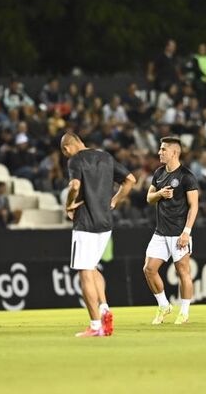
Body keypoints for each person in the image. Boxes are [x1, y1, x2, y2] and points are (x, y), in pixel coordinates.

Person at [61, 133, 136, 337]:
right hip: (105, 223)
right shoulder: (106, 157)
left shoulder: (75, 160)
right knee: (92, 268)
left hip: (85, 222)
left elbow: (74, 186)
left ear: (68, 148)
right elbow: (130, 180)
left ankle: (95, 326)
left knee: (85, 272)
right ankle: (104, 309)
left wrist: (68, 204)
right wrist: (114, 200)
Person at [143, 137, 199, 325]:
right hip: (160, 232)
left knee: (182, 271)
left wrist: (187, 232)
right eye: (160, 149)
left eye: (163, 149)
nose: (159, 152)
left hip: (179, 233)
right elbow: (149, 198)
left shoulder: (186, 176)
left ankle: (184, 312)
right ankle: (164, 305)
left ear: (174, 152)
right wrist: (159, 194)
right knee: (149, 269)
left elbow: (194, 206)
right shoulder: (158, 173)